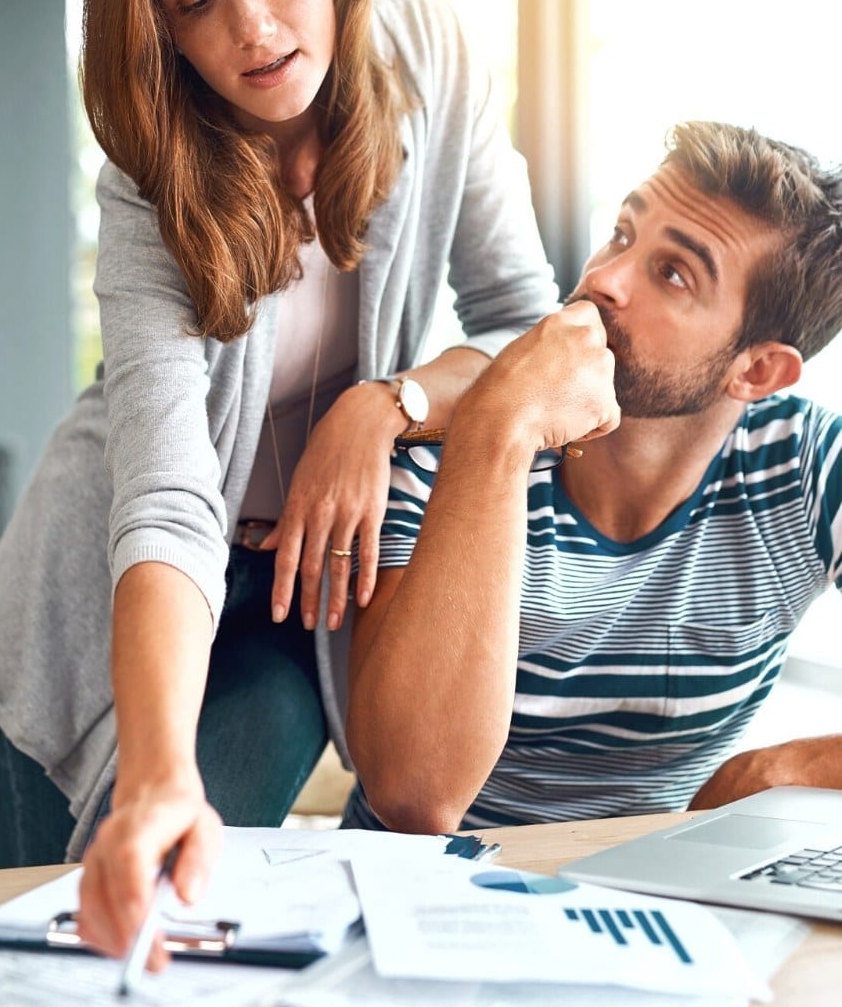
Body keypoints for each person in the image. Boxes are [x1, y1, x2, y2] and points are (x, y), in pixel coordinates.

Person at [0, 0, 557, 959]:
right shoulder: (150, 174)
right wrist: (156, 774)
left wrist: (387, 410)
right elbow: (170, 491)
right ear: (162, 29)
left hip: (293, 598)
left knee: (201, 915)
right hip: (90, 604)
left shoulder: (434, 65)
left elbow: (526, 328)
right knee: (61, 943)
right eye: (197, 4)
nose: (254, 31)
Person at [344, 121, 842, 836]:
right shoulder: (444, 445)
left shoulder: (809, 469)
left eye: (672, 273)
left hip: (651, 901)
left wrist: (780, 772)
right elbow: (415, 795)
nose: (602, 279)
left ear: (757, 370)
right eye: (621, 234)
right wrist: (500, 430)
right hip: (427, 900)